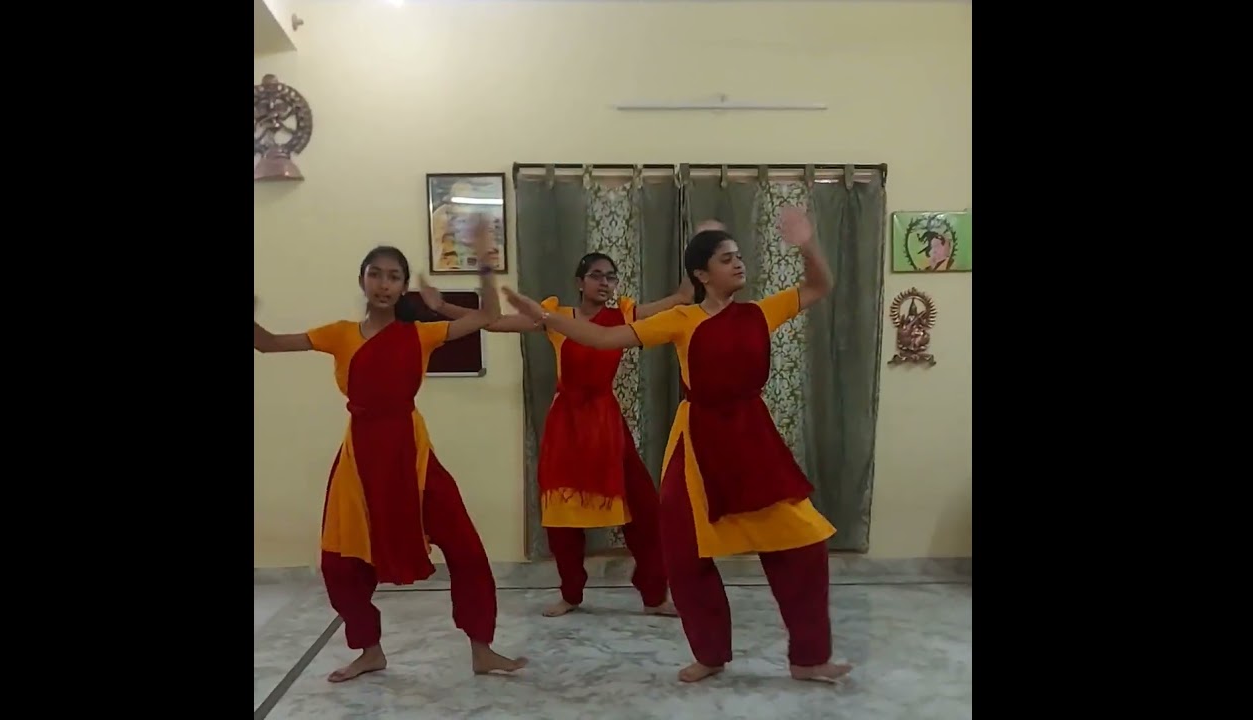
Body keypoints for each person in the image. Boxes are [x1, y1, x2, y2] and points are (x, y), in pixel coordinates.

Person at [500, 209, 853, 685]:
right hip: (696, 441)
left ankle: (809, 658)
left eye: (739, 256)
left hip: (753, 439)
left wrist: (807, 243)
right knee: (686, 552)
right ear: (702, 275)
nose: (738, 263)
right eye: (726, 259)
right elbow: (603, 337)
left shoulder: (760, 312)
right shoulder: (681, 320)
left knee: (804, 544)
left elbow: (820, 285)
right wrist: (544, 316)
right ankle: (710, 654)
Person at [253, 218, 527, 683]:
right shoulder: (338, 333)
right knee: (339, 562)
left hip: (412, 453)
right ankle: (370, 651)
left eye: (394, 276)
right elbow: (269, 344)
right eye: (376, 274)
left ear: (403, 288)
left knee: (465, 546)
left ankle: (482, 648)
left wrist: (485, 264)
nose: (384, 284)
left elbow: (486, 316)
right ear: (362, 280)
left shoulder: (419, 334)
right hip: (360, 457)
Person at [422, 253, 689, 618]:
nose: (605, 283)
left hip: (607, 425)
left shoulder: (624, 316)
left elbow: (677, 302)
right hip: (566, 426)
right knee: (563, 517)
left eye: (611, 277)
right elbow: (494, 322)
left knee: (643, 509)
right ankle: (571, 593)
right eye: (596, 275)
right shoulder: (554, 316)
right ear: (580, 282)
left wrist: (692, 268)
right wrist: (441, 306)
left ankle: (655, 595)